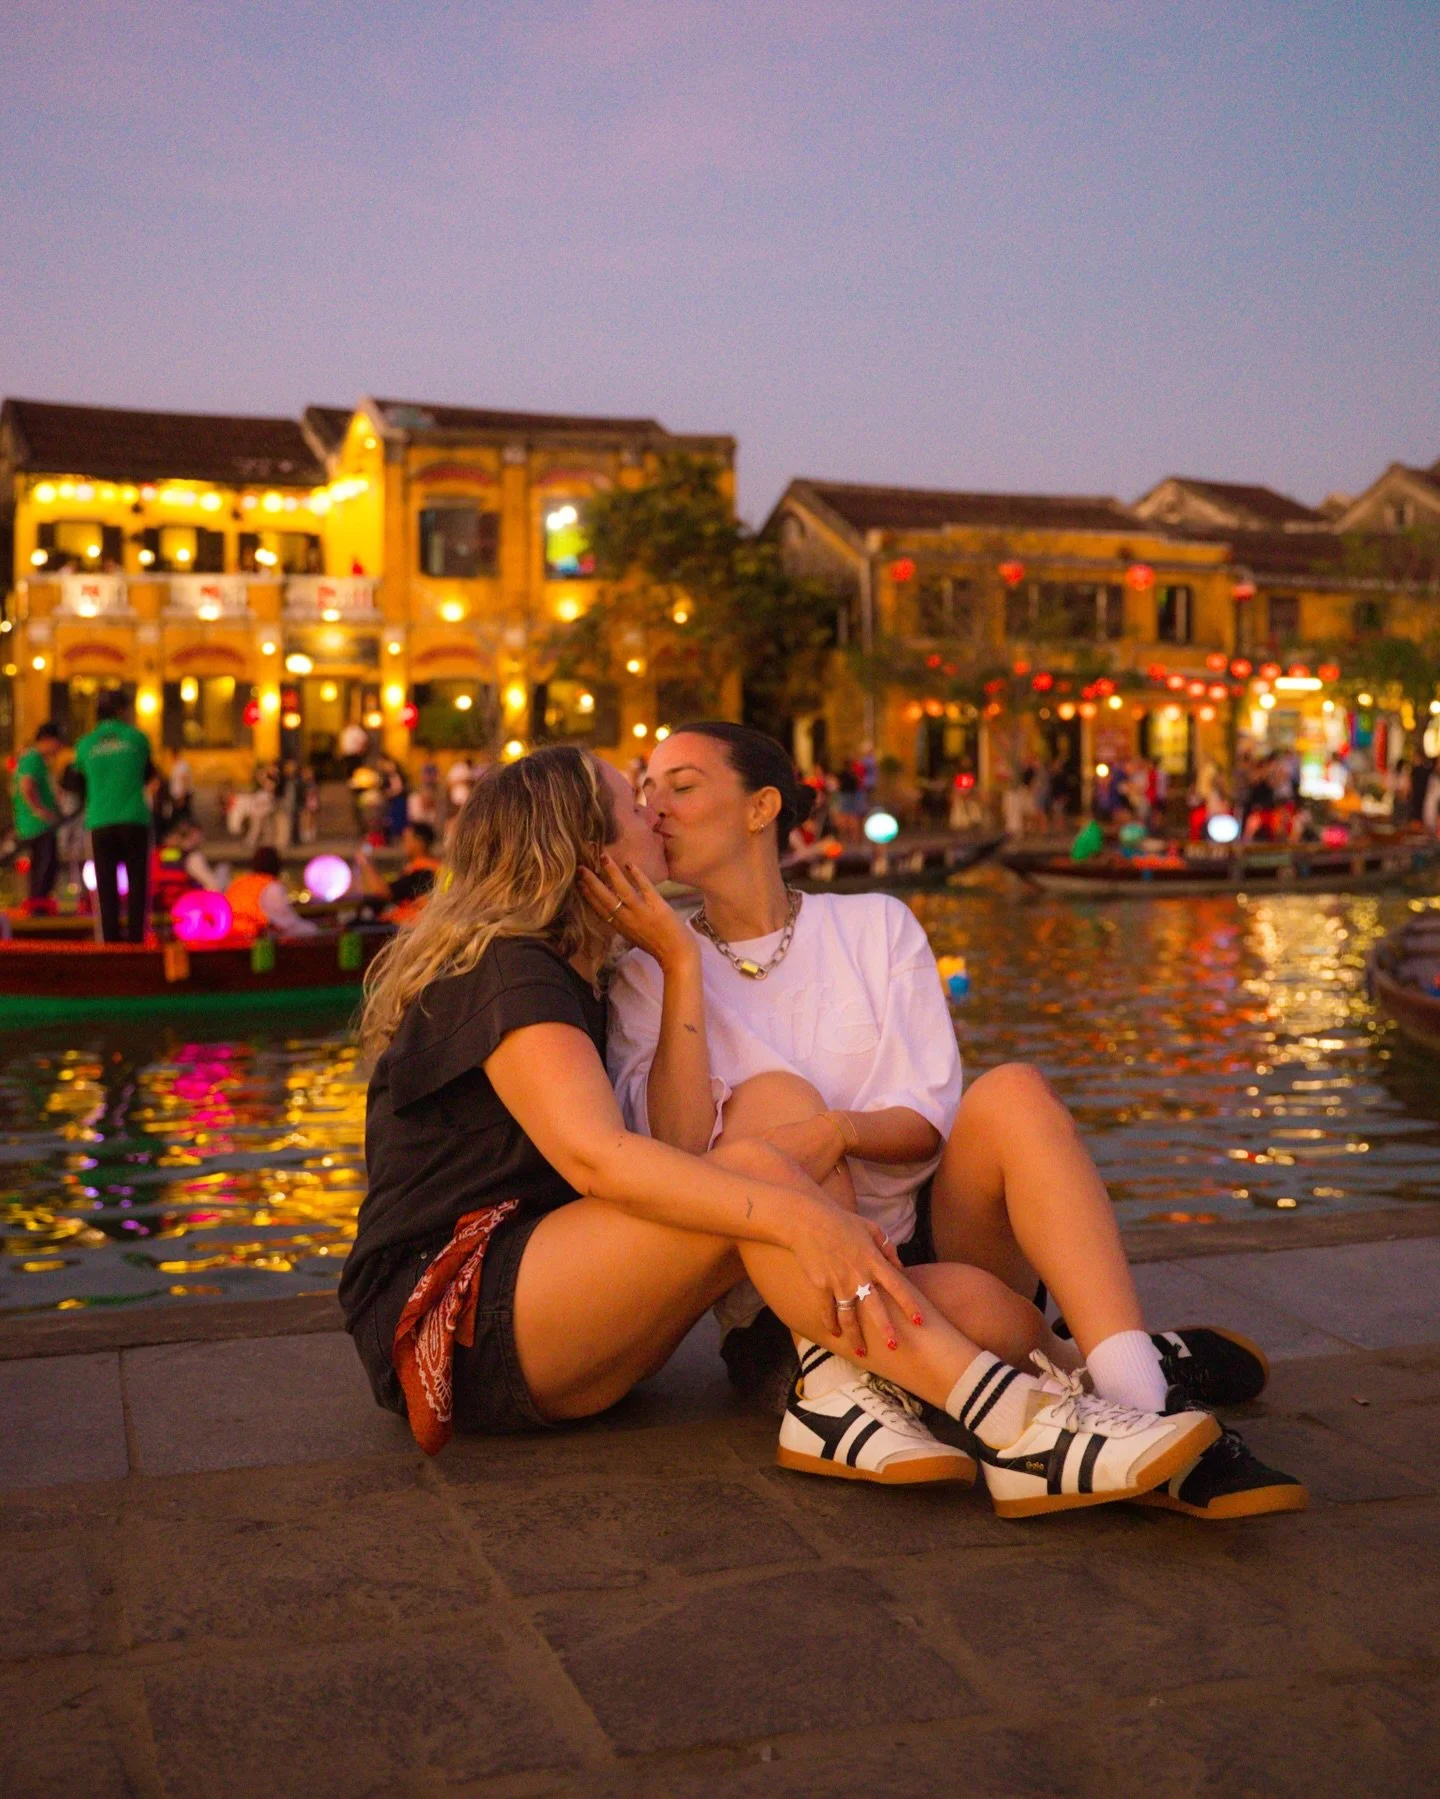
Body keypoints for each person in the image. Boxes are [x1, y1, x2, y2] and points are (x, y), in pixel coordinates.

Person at [341, 746, 1219, 1516]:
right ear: (585, 848)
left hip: (558, 1317)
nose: (653, 813)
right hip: (452, 1313)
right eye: (631, 803)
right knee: (758, 1166)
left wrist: (682, 960)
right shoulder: (511, 971)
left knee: (983, 1303)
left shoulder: (588, 973)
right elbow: (597, 1157)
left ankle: (1056, 1376)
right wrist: (799, 1216)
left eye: (667, 792)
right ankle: (1019, 1426)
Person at [601, 723, 1306, 1521]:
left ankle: (1143, 1400)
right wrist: (680, 965)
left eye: (681, 784)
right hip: (787, 1293)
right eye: (646, 788)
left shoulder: (874, 925)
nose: (655, 806)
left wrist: (838, 1131)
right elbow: (679, 1150)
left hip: (923, 1227)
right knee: (979, 1305)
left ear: (762, 805)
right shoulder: (643, 971)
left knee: (1014, 1090)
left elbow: (926, 1122)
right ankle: (1085, 1362)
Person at [73, 690, 157, 942]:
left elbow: (78, 784)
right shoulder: (137, 739)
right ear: (122, 711)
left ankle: (109, 943)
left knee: (105, 888)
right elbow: (149, 776)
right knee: (137, 885)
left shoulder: (85, 744)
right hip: (134, 820)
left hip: (100, 821)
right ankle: (135, 941)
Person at [11, 721, 66, 913]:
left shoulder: (37, 760)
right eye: (58, 742)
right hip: (38, 825)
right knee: (44, 869)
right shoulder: (33, 758)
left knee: (44, 868)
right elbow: (26, 785)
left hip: (38, 824)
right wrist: (39, 810)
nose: (59, 747)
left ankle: (39, 906)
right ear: (48, 740)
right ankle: (38, 909)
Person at [354, 821, 442, 924]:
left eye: (406, 839)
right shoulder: (435, 866)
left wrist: (364, 863)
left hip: (410, 928)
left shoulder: (422, 871)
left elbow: (383, 892)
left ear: (420, 842)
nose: (403, 843)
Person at [225, 846, 320, 941]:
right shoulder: (272, 888)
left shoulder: (238, 884)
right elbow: (288, 924)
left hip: (228, 940)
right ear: (277, 866)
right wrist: (314, 930)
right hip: (253, 945)